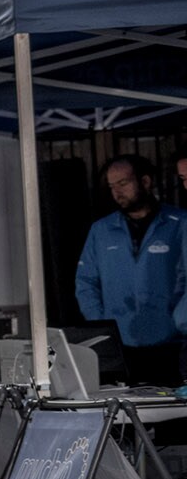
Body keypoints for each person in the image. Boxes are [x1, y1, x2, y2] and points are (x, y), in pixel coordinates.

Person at [75, 155, 187, 387]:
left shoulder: (179, 223)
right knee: (126, 418)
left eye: (123, 183)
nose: (116, 192)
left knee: (172, 418)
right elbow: (85, 283)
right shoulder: (101, 230)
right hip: (121, 346)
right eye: (111, 186)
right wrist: (103, 325)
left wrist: (179, 321)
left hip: (172, 344)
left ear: (145, 182)